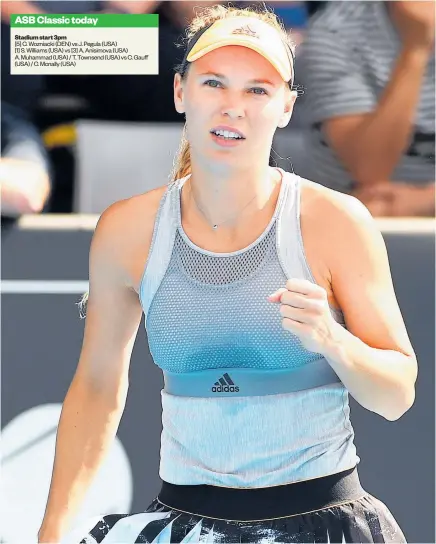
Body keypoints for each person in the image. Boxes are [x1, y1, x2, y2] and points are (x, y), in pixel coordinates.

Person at [38, 5, 418, 543]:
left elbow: (397, 395)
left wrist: (332, 340)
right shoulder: (127, 230)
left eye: (257, 90)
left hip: (325, 524)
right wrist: (52, 532)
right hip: (181, 520)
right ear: (180, 93)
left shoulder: (335, 221)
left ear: (286, 106)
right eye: (214, 83)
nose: (232, 107)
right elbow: (98, 387)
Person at [297, 0, 435, 217]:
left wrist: (427, 200)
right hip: (356, 223)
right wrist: (416, 49)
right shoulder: (335, 31)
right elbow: (371, 170)